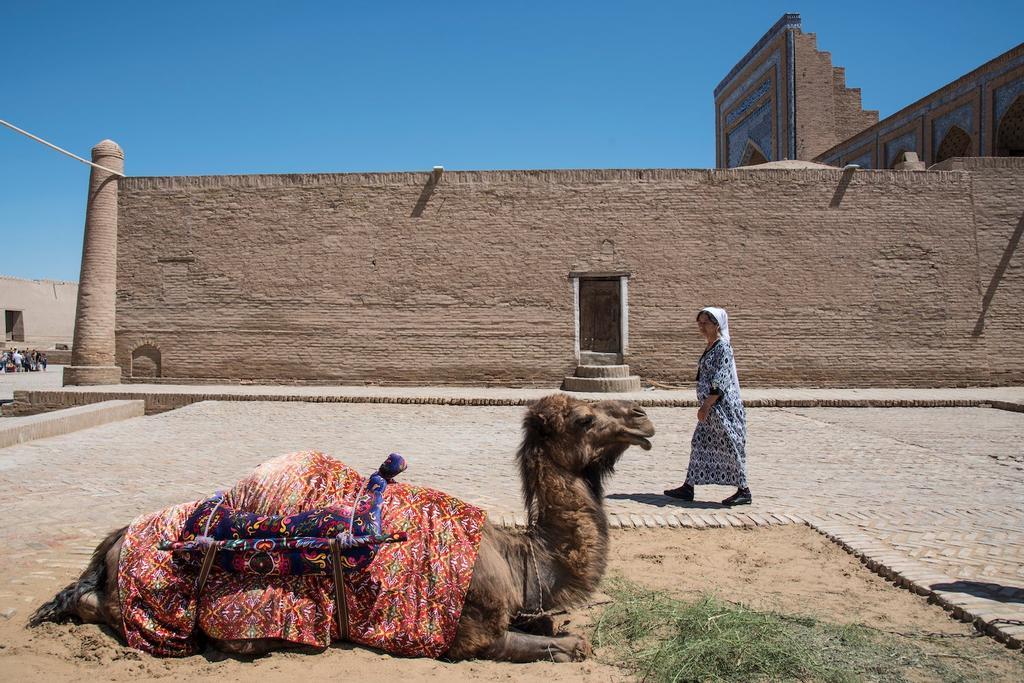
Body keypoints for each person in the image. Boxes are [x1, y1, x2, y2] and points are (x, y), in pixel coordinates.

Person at [664, 307, 751, 506]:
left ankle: (744, 490)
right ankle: (688, 487)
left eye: (705, 323)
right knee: (699, 443)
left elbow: (720, 381)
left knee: (731, 446)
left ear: (716, 325)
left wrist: (705, 407)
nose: (701, 327)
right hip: (712, 410)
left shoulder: (723, 347)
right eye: (699, 323)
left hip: (722, 409)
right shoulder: (710, 345)